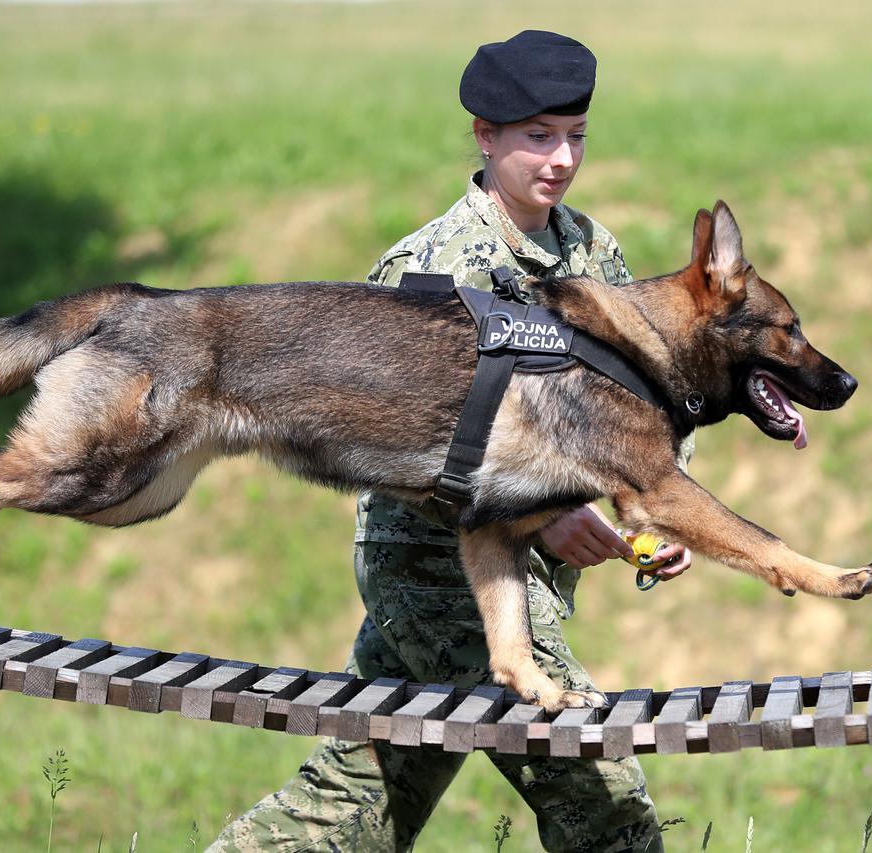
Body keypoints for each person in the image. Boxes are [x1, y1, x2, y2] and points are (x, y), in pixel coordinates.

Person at [212, 30, 691, 853]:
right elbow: (374, 440)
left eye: (576, 134)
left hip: (505, 575)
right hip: (433, 565)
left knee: (369, 788)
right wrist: (542, 520)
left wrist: (653, 515)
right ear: (485, 134)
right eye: (538, 135)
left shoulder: (591, 253)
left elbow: (627, 407)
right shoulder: (430, 270)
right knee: (601, 793)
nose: (561, 158)